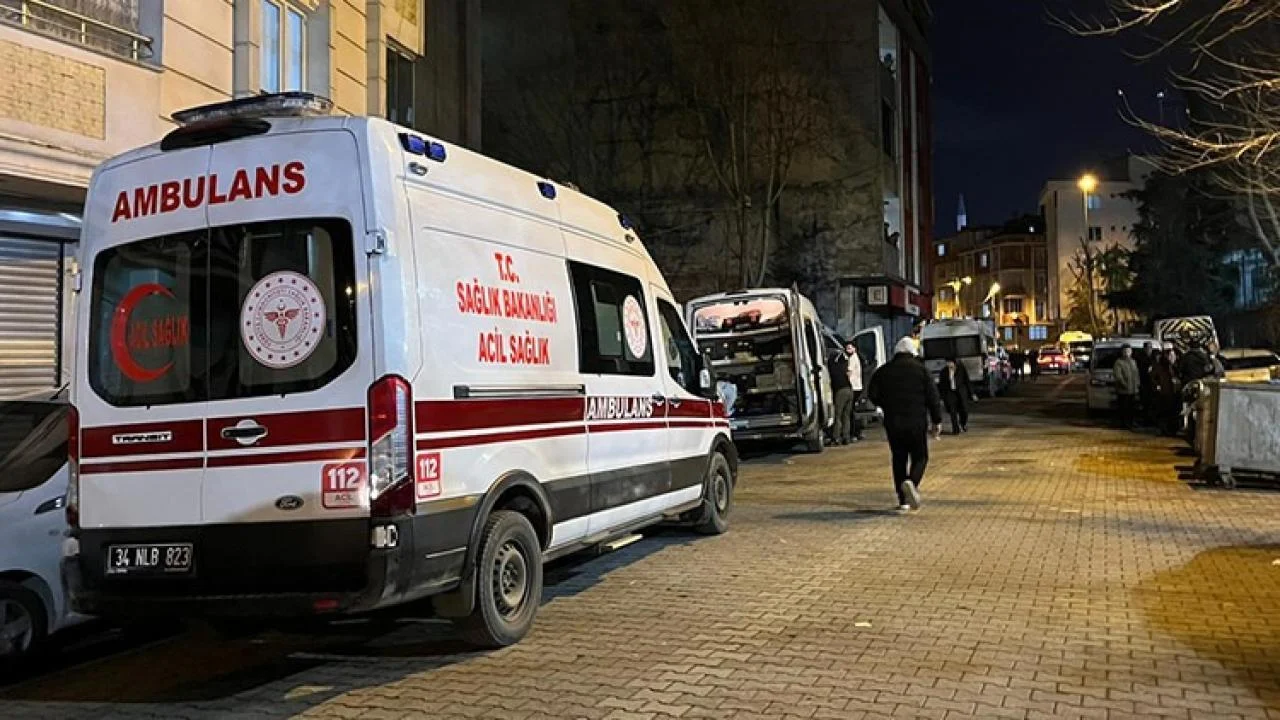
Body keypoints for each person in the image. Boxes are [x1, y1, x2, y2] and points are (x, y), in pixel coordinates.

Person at [867, 336, 943, 513]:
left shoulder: (883, 371)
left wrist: (886, 404)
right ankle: (911, 482)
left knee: (899, 458)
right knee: (920, 456)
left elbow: (872, 394)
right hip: (916, 421)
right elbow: (933, 397)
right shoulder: (921, 371)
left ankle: (903, 501)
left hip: (893, 423)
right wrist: (937, 420)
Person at [937, 357, 973, 435]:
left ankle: (963, 424)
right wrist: (942, 396)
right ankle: (955, 429)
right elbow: (941, 385)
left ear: (954, 363)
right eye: (947, 363)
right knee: (952, 411)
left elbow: (967, 381)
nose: (948, 364)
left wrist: (972, 393)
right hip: (950, 393)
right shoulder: (943, 372)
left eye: (950, 362)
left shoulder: (961, 369)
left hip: (960, 393)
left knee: (964, 410)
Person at [1151, 348, 1182, 436]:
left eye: (1173, 356)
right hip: (1165, 394)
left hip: (1175, 393)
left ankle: (1173, 430)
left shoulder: (1177, 366)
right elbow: (1153, 378)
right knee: (1165, 413)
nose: (1172, 357)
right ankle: (1165, 430)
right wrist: (1157, 386)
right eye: (1170, 356)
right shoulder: (1160, 366)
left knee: (1174, 413)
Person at [828, 346, 856, 445]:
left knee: (838, 416)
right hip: (849, 390)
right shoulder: (844, 364)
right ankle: (846, 437)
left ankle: (836, 437)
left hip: (840, 391)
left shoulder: (832, 366)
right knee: (846, 416)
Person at [1113, 344, 1141, 430]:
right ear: (1122, 352)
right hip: (1124, 391)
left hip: (1133, 390)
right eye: (1125, 351)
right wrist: (1124, 384)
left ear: (1131, 352)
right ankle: (1125, 423)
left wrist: (1137, 384)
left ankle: (1131, 422)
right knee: (1124, 408)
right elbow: (1118, 376)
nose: (1127, 353)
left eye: (1128, 351)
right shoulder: (1119, 362)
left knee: (1132, 408)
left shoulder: (1133, 361)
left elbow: (1136, 374)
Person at [846, 343, 866, 441]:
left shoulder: (852, 359)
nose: (848, 350)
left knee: (850, 411)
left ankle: (854, 432)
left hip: (853, 387)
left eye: (850, 348)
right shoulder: (857, 357)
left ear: (854, 349)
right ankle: (857, 432)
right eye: (847, 348)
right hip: (858, 386)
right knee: (853, 410)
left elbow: (849, 372)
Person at [1137, 342, 1155, 426]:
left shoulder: (1154, 357)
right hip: (1144, 383)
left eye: (1150, 347)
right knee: (1145, 403)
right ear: (1144, 349)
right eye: (1147, 348)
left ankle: (1151, 420)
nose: (1149, 349)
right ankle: (1145, 420)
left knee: (1152, 403)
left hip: (1153, 384)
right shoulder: (1140, 358)